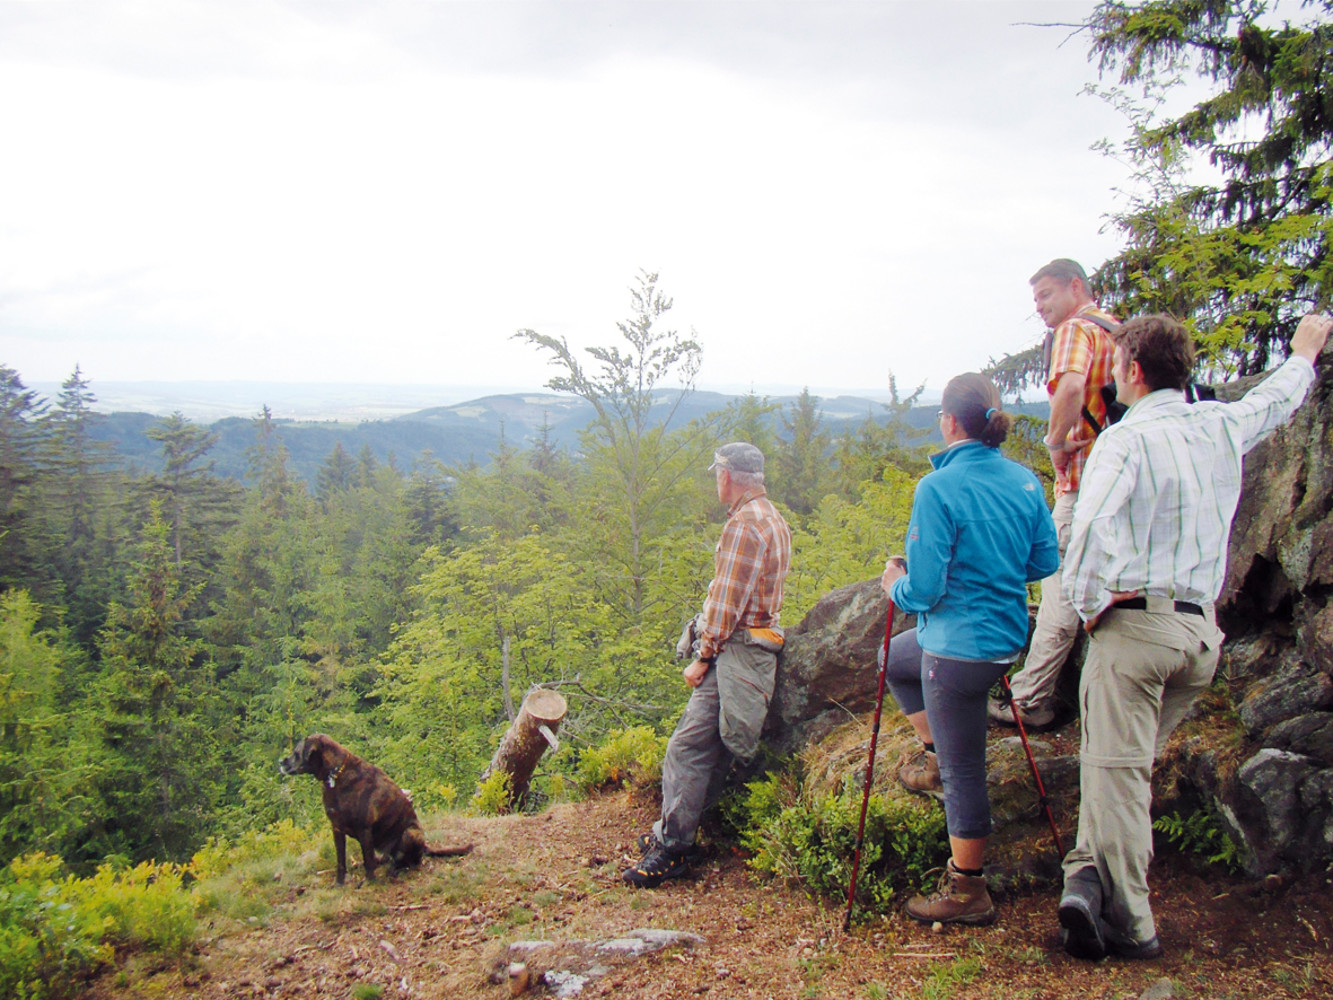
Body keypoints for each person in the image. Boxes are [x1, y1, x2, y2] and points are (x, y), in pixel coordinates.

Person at [1057, 311, 1331, 962]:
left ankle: (1131, 925)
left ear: (1132, 370)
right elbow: (1275, 400)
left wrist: (1091, 608)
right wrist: (1304, 352)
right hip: (1199, 636)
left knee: (1116, 776)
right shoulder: (1217, 424)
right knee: (1115, 772)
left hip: (1135, 628)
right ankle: (1083, 882)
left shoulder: (1123, 442)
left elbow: (1086, 534)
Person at [880, 373, 1059, 924]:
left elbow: (926, 589)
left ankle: (969, 892)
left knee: (966, 773)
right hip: (1004, 641)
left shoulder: (936, 488)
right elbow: (1044, 562)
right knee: (894, 657)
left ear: (950, 421)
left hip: (958, 652)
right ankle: (933, 755)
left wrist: (894, 585)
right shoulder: (1025, 481)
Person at [624, 441, 792, 888]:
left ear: (729, 476)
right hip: (752, 648)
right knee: (710, 746)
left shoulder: (745, 526)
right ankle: (676, 833)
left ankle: (675, 848)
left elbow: (726, 603)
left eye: (717, 472)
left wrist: (703, 656)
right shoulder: (771, 518)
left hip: (733, 650)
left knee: (688, 746)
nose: (715, 480)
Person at [988, 259, 1118, 730]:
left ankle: (1027, 699)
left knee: (1060, 589)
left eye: (1045, 295)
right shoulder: (1117, 331)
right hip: (1120, 484)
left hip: (1084, 482)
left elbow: (1070, 385)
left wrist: (1055, 442)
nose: (1040, 307)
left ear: (1075, 287)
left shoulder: (1075, 330)